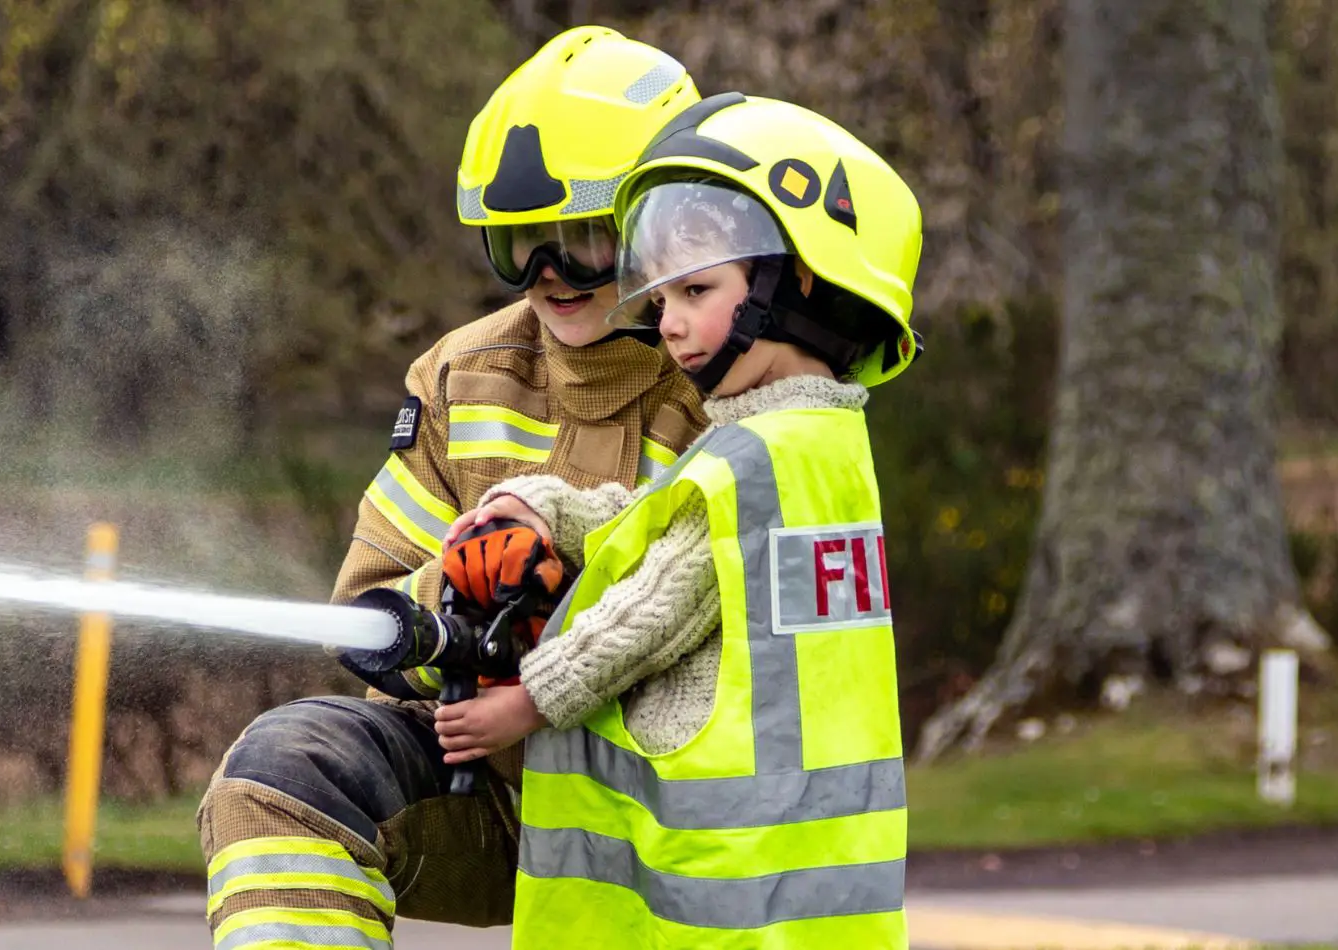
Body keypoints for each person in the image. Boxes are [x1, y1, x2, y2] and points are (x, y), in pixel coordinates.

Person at [198, 27, 708, 948]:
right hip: (497, 795)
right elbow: (366, 614)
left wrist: (564, 596)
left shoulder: (731, 383)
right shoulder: (460, 377)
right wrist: (462, 600)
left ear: (668, 226)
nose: (549, 275)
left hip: (680, 819)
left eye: (584, 239)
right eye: (520, 244)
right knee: (283, 776)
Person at [439, 93, 924, 947]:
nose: (670, 325)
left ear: (795, 281)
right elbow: (656, 526)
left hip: (714, 897)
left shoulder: (758, 460)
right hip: (792, 898)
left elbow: (653, 609)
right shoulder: (813, 445)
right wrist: (545, 503)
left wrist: (526, 705)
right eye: (662, 299)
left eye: (697, 290)